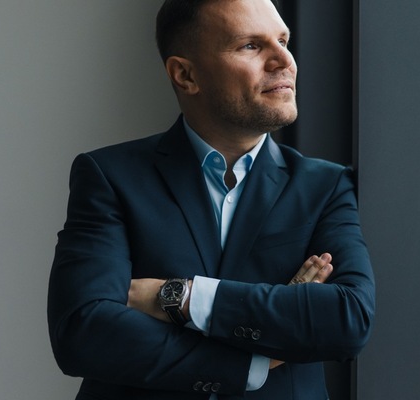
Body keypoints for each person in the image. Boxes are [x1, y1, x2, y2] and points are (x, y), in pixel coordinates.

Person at [46, 0, 375, 399]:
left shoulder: (326, 185)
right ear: (185, 74)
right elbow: (82, 331)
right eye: (251, 46)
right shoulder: (109, 176)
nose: (284, 60)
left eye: (283, 40)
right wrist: (252, 359)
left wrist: (179, 296)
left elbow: (347, 319)